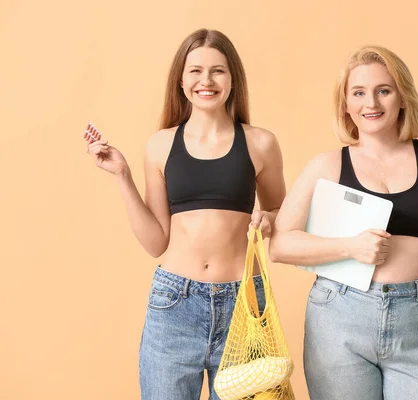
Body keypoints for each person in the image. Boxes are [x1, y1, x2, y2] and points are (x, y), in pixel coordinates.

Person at [269, 45, 418, 400]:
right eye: (358, 93)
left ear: (402, 97)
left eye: (383, 91)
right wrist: (348, 247)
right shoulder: (326, 165)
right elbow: (280, 246)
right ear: (345, 104)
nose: (370, 103)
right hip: (339, 318)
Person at [84, 28, 286, 400]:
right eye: (195, 71)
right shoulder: (160, 145)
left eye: (217, 71)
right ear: (180, 80)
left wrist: (270, 219)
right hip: (175, 304)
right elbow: (155, 242)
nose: (205, 81)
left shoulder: (260, 142)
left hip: (245, 304)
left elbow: (279, 211)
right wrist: (123, 176)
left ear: (233, 79)